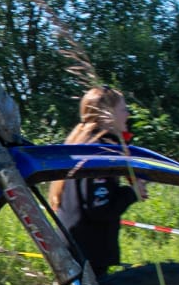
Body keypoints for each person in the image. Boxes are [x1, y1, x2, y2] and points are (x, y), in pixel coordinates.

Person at [48, 87, 144, 275]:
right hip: (87, 251)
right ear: (106, 115)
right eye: (123, 109)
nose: (128, 114)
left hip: (78, 246)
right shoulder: (100, 152)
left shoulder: (84, 145)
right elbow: (99, 208)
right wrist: (132, 193)